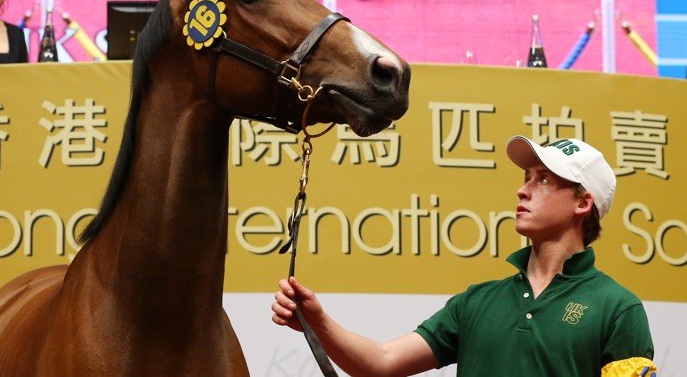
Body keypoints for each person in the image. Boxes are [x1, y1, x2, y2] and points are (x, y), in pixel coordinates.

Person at [272, 136, 657, 377]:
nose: (523, 191)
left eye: (543, 179)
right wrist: (319, 322)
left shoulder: (617, 308)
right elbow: (381, 363)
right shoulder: (477, 301)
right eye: (525, 178)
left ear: (583, 202)